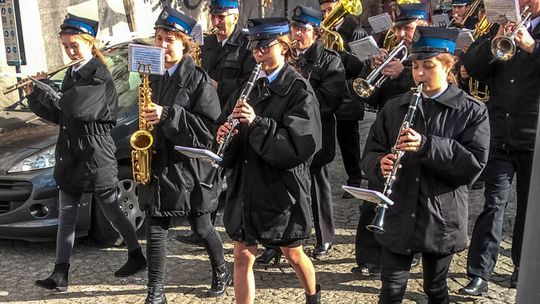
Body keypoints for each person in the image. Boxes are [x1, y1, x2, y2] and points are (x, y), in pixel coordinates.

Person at [361, 26, 490, 303]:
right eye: (415, 66)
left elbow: (474, 165)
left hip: (440, 215)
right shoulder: (395, 106)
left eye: (428, 66)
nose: (419, 73)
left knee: (435, 289)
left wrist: (426, 146)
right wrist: (379, 164)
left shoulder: (471, 110)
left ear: (447, 65)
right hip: (397, 211)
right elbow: (371, 151)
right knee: (391, 291)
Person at [23, 14, 146, 292]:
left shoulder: (99, 75)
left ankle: (136, 254)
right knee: (67, 213)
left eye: (74, 45)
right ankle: (60, 272)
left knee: (112, 209)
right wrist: (35, 94)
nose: (69, 51)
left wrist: (49, 91)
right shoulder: (73, 73)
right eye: (65, 46)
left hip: (96, 154)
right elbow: (61, 116)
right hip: (71, 153)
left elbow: (77, 108)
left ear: (91, 43)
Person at [216, 17, 323, 304]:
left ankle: (313, 296)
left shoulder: (299, 90)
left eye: (265, 45)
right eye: (254, 47)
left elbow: (301, 147)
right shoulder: (246, 87)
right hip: (247, 183)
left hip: (280, 185)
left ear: (284, 47)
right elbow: (229, 124)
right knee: (242, 255)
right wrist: (225, 135)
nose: (258, 52)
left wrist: (257, 123)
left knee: (292, 252)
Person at [139, 7, 228, 303]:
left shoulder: (199, 80)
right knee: (155, 228)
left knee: (202, 227)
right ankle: (156, 293)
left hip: (190, 170)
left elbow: (208, 131)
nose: (162, 45)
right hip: (160, 165)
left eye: (170, 40)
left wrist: (168, 115)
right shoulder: (152, 76)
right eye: (159, 38)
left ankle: (221, 269)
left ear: (184, 44)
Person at [459, 0, 540, 295]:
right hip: (500, 131)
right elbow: (472, 70)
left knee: (530, 210)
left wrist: (532, 47)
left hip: (534, 136)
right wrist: (493, 41)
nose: (522, 4)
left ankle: (523, 266)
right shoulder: (498, 26)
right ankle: (480, 272)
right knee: (494, 204)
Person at [353, 2, 430, 277]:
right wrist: (372, 72)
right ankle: (369, 256)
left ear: (422, 26)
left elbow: (428, 89)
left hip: (416, 129)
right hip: (386, 126)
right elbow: (369, 97)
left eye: (408, 28)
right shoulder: (392, 53)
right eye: (399, 28)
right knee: (374, 190)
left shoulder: (430, 53)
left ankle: (413, 249)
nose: (402, 34)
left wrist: (403, 73)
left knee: (412, 193)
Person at [177, 0, 255, 248]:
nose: (216, 21)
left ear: (235, 15)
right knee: (207, 173)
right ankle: (203, 227)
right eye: (214, 16)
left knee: (235, 177)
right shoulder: (208, 43)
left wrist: (220, 88)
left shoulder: (245, 44)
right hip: (208, 117)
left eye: (221, 16)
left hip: (233, 118)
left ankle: (244, 227)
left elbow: (249, 83)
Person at [291, 4, 346, 260]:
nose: (297, 33)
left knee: (318, 185)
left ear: (316, 32)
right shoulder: (288, 56)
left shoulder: (329, 59)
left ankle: (324, 236)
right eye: (295, 28)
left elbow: (331, 99)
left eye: (303, 29)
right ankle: (289, 238)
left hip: (317, 132)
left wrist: (297, 102)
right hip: (289, 131)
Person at [319, 0, 368, 202]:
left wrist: (336, 57)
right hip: (329, 92)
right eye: (324, 11)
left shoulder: (355, 31)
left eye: (330, 10)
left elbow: (359, 64)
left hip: (348, 94)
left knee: (348, 140)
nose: (327, 15)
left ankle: (354, 178)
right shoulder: (324, 31)